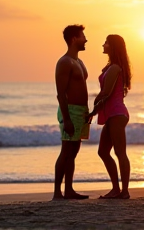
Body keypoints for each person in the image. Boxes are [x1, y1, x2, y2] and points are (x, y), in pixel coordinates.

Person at [87, 34, 132, 199]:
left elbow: (106, 92)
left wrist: (94, 102)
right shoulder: (112, 66)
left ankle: (124, 191)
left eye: (106, 42)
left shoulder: (115, 68)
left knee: (120, 153)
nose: (103, 44)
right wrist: (94, 112)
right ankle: (116, 189)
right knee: (103, 152)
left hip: (117, 114)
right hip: (112, 114)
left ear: (112, 46)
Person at [52, 24, 90, 200]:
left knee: (74, 150)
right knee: (66, 150)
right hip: (71, 111)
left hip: (81, 112)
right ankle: (57, 193)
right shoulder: (64, 62)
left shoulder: (79, 62)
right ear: (74, 39)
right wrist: (66, 118)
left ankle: (69, 190)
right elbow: (61, 94)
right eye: (83, 36)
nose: (86, 39)